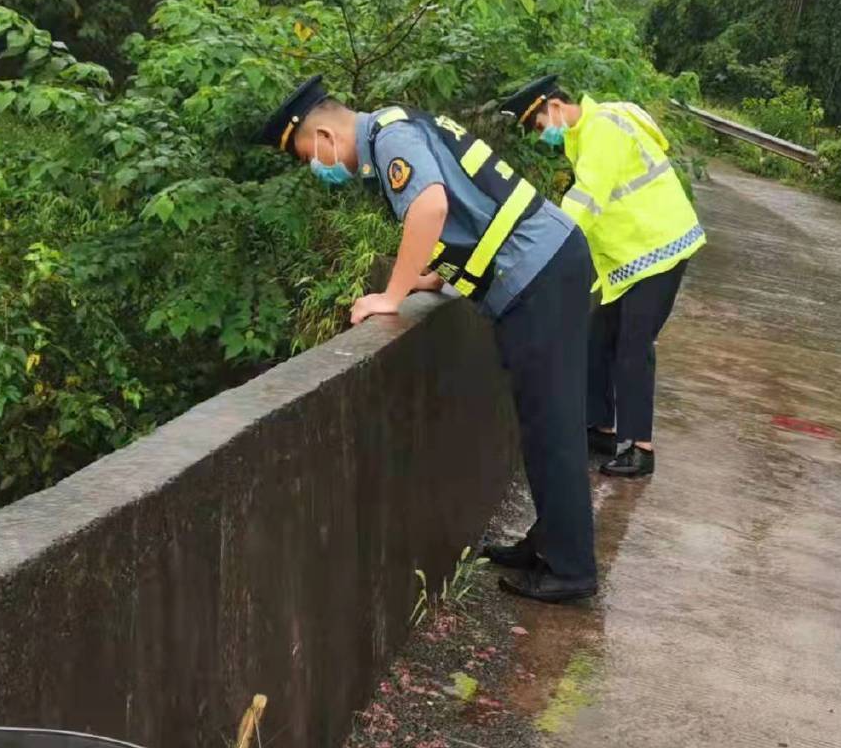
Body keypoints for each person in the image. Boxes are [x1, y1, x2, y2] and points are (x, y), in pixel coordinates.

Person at [254, 75, 599, 603]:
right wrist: (431, 278)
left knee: (554, 425)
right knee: (540, 422)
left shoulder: (389, 138)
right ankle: (550, 541)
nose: (314, 168)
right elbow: (469, 210)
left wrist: (392, 295)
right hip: (542, 269)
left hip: (541, 276)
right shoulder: (401, 126)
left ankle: (572, 569)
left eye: (305, 156)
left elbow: (432, 207)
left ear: (321, 133)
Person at [498, 75, 704, 479]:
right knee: (598, 336)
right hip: (630, 258)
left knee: (633, 345)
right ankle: (603, 428)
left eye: (540, 126)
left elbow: (586, 200)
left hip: (660, 247)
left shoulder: (601, 128)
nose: (543, 137)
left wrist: (543, 250)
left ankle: (640, 449)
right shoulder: (585, 136)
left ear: (555, 107)